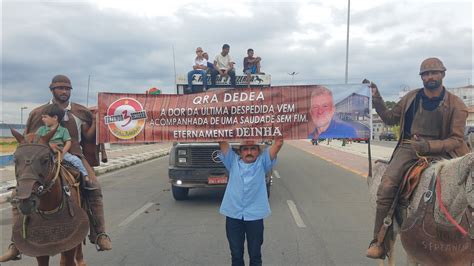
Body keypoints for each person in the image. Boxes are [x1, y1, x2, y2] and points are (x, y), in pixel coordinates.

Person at [365, 57, 470, 259]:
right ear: (421, 77)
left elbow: (457, 139)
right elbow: (389, 118)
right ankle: (379, 240)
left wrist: (430, 145)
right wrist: (377, 97)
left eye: (434, 73)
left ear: (443, 74)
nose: (430, 77)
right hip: (410, 148)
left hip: (444, 151)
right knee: (387, 185)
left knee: (468, 185)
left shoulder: (456, 104)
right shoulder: (411, 98)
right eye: (426, 74)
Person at [0, 74, 111, 263]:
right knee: (18, 195)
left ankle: (99, 234)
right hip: (43, 159)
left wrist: (98, 120)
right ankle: (15, 245)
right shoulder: (39, 113)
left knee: (94, 187)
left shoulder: (80, 112)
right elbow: (29, 141)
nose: (64, 91)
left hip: (73, 155)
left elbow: (89, 136)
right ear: (52, 90)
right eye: (60, 88)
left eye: (67, 88)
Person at [218, 139, 284, 266]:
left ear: (259, 151)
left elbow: (278, 143)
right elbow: (221, 140)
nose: (249, 152)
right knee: (236, 255)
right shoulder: (232, 161)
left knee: (255, 255)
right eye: (245, 149)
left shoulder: (263, 163)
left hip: (255, 216)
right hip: (233, 215)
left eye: (253, 149)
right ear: (240, 152)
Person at [36, 103, 91, 184]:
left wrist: (62, 153)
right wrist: (49, 146)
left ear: (55, 118)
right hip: (45, 154)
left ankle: (85, 177)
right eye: (42, 117)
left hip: (60, 153)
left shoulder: (63, 130)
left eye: (45, 117)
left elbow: (68, 142)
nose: (43, 119)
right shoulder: (41, 130)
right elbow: (36, 141)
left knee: (76, 160)